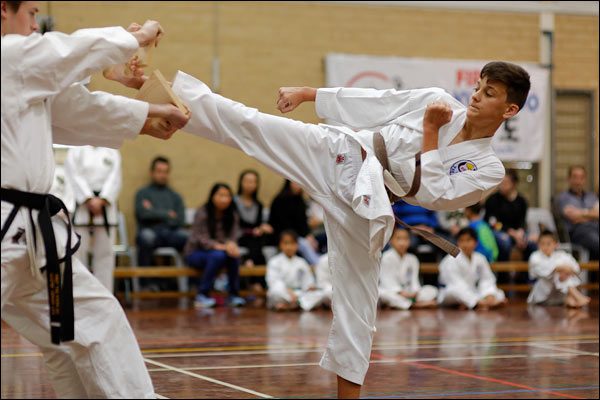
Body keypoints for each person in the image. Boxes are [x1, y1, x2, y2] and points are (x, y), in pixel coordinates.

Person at [171, 60, 530, 397]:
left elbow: (433, 194)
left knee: (359, 307)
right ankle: (169, 101)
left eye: (490, 92)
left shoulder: (488, 167)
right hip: (343, 153)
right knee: (254, 125)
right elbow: (376, 103)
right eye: (478, 87)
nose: (477, 95)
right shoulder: (436, 101)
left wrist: (431, 132)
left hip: (371, 202)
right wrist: (310, 94)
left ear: (510, 110)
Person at [1, 2, 189, 397]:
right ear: (4, 8)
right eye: (31, 14)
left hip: (31, 233)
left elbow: (70, 108)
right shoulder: (9, 57)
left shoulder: (23, 75)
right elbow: (66, 53)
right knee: (79, 331)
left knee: (82, 330)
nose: (36, 25)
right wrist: (135, 38)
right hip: (8, 225)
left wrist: (148, 117)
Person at [64, 146, 121, 293]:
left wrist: (103, 199)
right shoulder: (76, 149)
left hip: (106, 209)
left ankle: (105, 294)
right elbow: (73, 176)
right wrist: (88, 198)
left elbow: (115, 178)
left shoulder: (112, 150)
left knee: (105, 255)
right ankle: (79, 294)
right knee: (78, 253)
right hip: (82, 207)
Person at [184, 183, 246, 308]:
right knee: (218, 256)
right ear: (212, 196)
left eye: (227, 196)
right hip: (196, 252)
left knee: (233, 256)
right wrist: (222, 247)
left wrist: (232, 246)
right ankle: (202, 295)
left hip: (221, 253)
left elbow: (233, 236)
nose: (224, 199)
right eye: (220, 195)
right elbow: (200, 238)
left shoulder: (232, 214)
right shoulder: (203, 212)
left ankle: (234, 294)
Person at [134, 156, 189, 269]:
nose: (162, 175)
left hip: (171, 233)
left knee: (188, 238)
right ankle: (146, 283)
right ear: (152, 172)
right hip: (150, 231)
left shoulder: (175, 196)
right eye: (159, 171)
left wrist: (153, 211)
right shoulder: (142, 193)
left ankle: (190, 283)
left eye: (165, 172)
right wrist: (168, 214)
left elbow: (180, 220)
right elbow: (142, 215)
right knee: (146, 237)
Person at [437, 227, 507, 310]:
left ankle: (478, 303)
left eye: (468, 240)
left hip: (472, 291)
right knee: (455, 291)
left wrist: (489, 295)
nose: (465, 244)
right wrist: (476, 299)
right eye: (461, 241)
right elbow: (455, 284)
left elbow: (487, 279)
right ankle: (480, 303)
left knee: (499, 293)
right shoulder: (451, 259)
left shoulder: (480, 258)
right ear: (458, 242)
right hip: (451, 293)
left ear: (475, 242)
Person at [266, 230, 328, 311]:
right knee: (276, 291)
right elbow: (273, 282)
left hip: (299, 293)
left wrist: (310, 287)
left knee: (320, 294)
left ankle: (289, 305)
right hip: (284, 292)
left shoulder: (302, 262)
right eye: (286, 243)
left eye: (292, 243)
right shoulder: (274, 261)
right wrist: (288, 291)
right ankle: (298, 305)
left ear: (297, 245)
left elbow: (308, 281)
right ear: (280, 245)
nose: (289, 247)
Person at [527, 230, 590, 307]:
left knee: (563, 274)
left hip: (559, 294)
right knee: (557, 274)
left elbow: (576, 268)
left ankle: (571, 300)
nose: (545, 247)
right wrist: (559, 269)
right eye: (542, 244)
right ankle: (577, 296)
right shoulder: (535, 256)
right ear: (538, 244)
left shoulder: (562, 255)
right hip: (543, 294)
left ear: (555, 244)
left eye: (548, 244)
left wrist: (568, 270)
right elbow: (544, 272)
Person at [484, 168, 537, 261]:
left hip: (517, 232)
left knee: (531, 243)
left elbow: (522, 221)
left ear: (514, 183)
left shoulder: (522, 201)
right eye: (500, 182)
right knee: (505, 242)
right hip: (498, 231)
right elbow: (493, 223)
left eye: (505, 183)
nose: (502, 186)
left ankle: (525, 274)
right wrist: (510, 232)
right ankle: (503, 274)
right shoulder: (493, 200)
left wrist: (521, 232)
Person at [379, 227, 438, 309]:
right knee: (382, 293)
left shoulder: (412, 258)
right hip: (393, 291)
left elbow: (414, 280)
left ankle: (406, 303)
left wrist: (415, 292)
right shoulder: (387, 257)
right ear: (390, 241)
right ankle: (414, 305)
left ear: (409, 241)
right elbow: (387, 281)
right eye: (398, 239)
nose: (402, 242)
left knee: (432, 290)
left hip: (409, 292)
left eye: (405, 239)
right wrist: (400, 292)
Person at [268, 179, 321, 266]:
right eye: (295, 183)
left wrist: (309, 235)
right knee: (304, 244)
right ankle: (318, 265)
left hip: (299, 236)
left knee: (316, 241)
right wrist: (303, 237)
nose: (298, 186)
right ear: (289, 182)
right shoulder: (280, 200)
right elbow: (282, 224)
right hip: (283, 235)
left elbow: (303, 224)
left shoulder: (300, 201)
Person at [556, 165, 599, 260]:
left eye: (581, 177)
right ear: (569, 179)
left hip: (596, 229)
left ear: (585, 179)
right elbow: (573, 217)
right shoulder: (563, 197)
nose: (578, 181)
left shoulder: (591, 196)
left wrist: (581, 213)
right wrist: (592, 214)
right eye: (575, 177)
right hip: (578, 232)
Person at [234, 169, 273, 267]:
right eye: (247, 181)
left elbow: (258, 224)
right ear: (241, 182)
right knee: (257, 247)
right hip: (239, 235)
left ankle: (249, 261)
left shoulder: (258, 204)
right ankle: (251, 265)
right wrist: (252, 230)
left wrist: (262, 228)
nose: (250, 184)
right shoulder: (234, 202)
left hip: (255, 237)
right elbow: (235, 224)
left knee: (258, 239)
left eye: (253, 182)